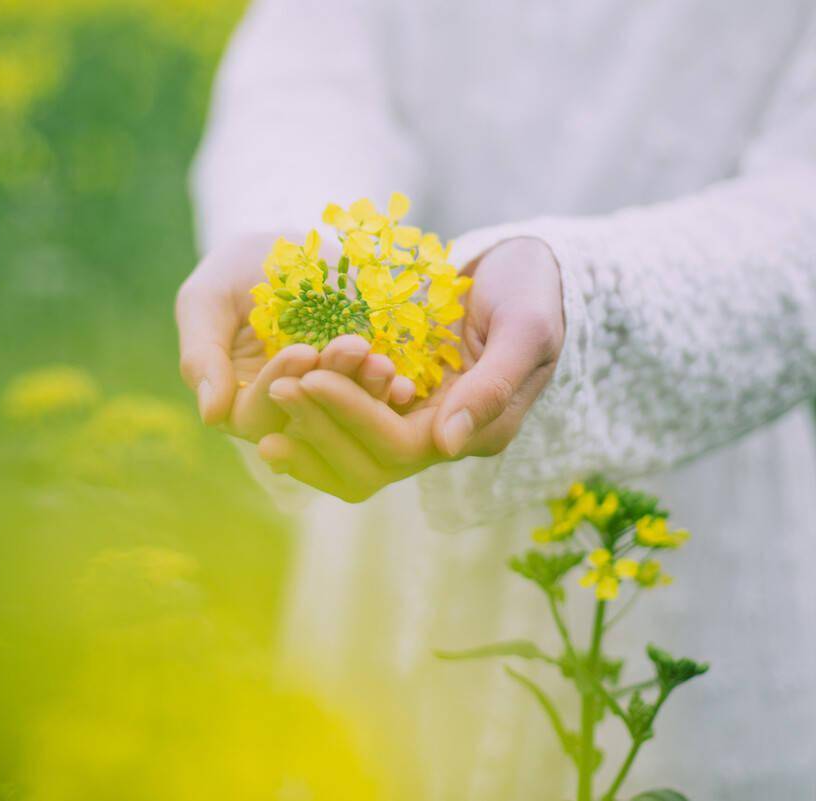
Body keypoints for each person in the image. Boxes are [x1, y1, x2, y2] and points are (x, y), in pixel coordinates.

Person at [175, 1, 816, 799]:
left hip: (700, 528)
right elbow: (313, 65)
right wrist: (310, 258)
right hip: (388, 459)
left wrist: (586, 298)